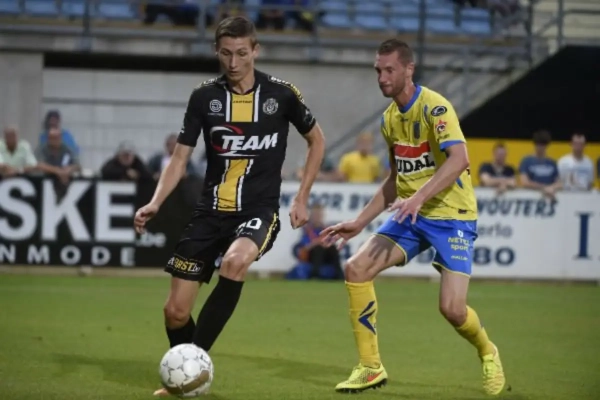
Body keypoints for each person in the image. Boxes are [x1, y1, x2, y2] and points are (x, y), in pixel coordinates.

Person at [133, 16, 325, 397]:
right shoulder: (203, 98)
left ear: (256, 50)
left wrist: (302, 196)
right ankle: (189, 375)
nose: (233, 62)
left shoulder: (282, 94)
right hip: (209, 213)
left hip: (258, 211)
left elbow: (316, 140)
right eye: (226, 54)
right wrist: (156, 201)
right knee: (175, 312)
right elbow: (180, 158)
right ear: (216, 52)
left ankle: (190, 370)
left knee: (235, 263)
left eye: (241, 53)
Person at [320, 38, 506, 396]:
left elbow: (460, 160)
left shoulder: (436, 107)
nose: (382, 78)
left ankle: (487, 350)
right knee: (356, 269)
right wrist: (359, 222)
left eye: (389, 70)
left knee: (452, 309)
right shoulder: (389, 120)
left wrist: (419, 197)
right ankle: (370, 367)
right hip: (411, 213)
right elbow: (395, 179)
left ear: (409, 69)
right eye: (378, 70)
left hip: (453, 215)